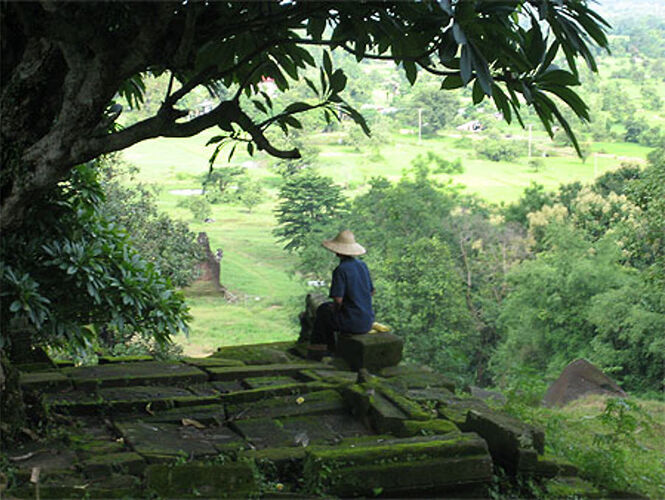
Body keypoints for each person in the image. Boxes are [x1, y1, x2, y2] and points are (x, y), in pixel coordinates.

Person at [309, 230, 375, 357]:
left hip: (352, 323)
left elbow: (338, 300)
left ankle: (322, 349)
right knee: (327, 311)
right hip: (367, 321)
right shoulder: (362, 265)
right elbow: (371, 291)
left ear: (337, 251)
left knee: (323, 311)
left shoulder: (340, 270)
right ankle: (329, 349)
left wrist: (337, 309)